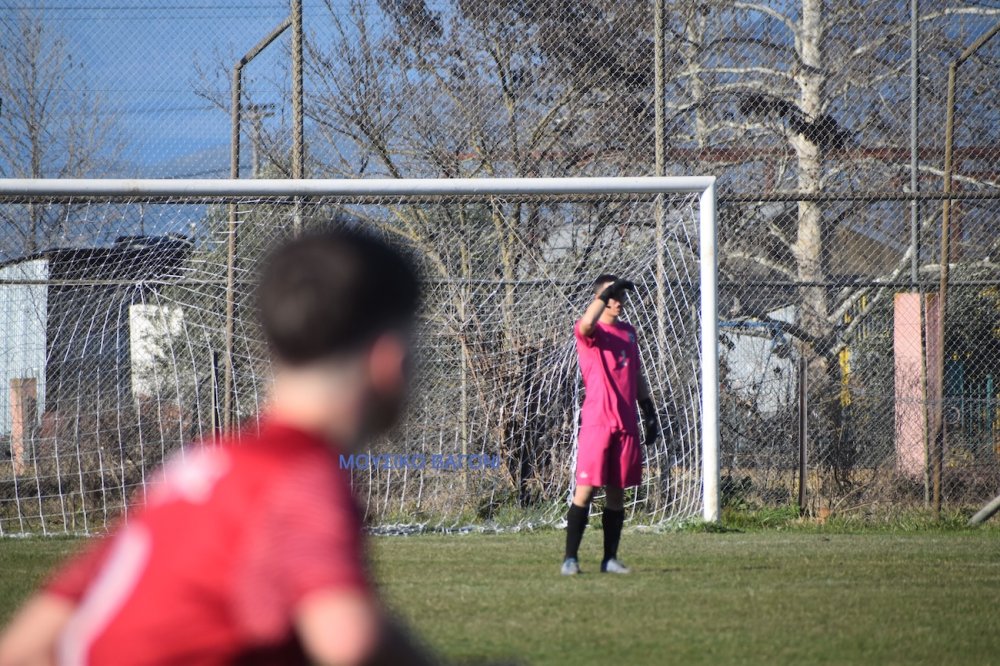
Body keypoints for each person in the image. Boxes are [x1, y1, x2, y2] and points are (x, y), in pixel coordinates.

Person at [0, 227, 436, 665]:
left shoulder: (199, 466)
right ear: (391, 361)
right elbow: (349, 640)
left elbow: (22, 648)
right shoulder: (300, 474)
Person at [562, 275, 658, 576]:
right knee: (586, 491)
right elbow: (586, 323)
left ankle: (610, 559)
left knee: (617, 493)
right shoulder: (591, 331)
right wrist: (605, 294)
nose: (618, 302)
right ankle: (570, 559)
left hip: (625, 423)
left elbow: (636, 373)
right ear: (600, 298)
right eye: (611, 296)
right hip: (598, 423)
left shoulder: (629, 332)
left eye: (620, 296)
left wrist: (648, 409)